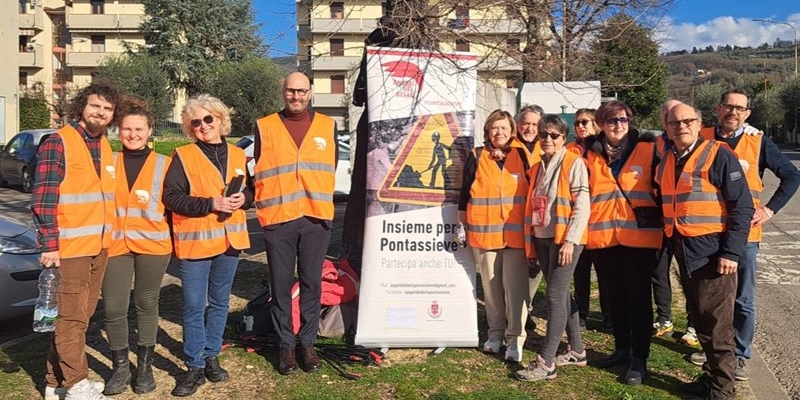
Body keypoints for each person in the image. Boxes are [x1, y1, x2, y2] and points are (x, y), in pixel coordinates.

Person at [689, 89, 800, 380]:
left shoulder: (758, 142)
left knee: (742, 298)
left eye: (740, 108)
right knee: (711, 296)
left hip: (745, 236)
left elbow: (792, 176)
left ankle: (739, 354)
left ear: (747, 113)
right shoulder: (701, 137)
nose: (733, 112)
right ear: (718, 108)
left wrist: (770, 210)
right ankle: (714, 349)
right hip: (707, 232)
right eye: (729, 106)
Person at [656, 103, 754, 400]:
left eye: (688, 121)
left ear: (699, 124)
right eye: (675, 123)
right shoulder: (668, 158)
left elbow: (742, 207)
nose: (681, 127)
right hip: (685, 251)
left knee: (717, 326)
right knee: (700, 320)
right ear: (667, 127)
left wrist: (731, 253)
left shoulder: (718, 154)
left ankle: (722, 391)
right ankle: (711, 379)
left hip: (713, 255)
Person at [32, 82, 122, 400]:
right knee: (70, 316)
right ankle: (76, 384)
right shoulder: (58, 142)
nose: (101, 112)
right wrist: (50, 245)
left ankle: (54, 381)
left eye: (108, 109)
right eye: (95, 105)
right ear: (82, 106)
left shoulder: (105, 146)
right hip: (69, 249)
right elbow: (44, 198)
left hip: (99, 246)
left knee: (80, 316)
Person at [163, 94, 252, 397]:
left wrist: (244, 199)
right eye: (195, 122)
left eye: (208, 119)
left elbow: (252, 191)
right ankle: (194, 365)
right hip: (196, 244)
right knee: (193, 305)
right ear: (189, 127)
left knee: (220, 302)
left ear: (220, 119)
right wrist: (210, 203)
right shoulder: (183, 156)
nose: (203, 126)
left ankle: (212, 355)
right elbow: (172, 198)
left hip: (230, 242)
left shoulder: (238, 155)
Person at [253, 72, 336, 375]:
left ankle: (308, 343)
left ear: (310, 93)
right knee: (280, 284)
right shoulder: (264, 126)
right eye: (291, 90)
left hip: (315, 217)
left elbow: (331, 166)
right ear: (283, 91)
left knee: (312, 283)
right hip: (279, 219)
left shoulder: (328, 125)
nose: (296, 96)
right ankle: (286, 346)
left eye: (301, 91)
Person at [583, 100, 663, 386]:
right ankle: (621, 349)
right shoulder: (588, 153)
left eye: (623, 119)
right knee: (614, 296)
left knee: (638, 299)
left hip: (640, 238)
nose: (618, 125)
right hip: (604, 236)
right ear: (601, 124)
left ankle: (639, 359)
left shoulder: (649, 148)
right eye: (612, 120)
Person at [101, 96, 172, 395]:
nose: (133, 134)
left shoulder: (165, 164)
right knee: (114, 306)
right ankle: (120, 368)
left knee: (146, 303)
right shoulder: (108, 163)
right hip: (115, 245)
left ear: (149, 130)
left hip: (153, 246)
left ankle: (144, 367)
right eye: (127, 129)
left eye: (139, 129)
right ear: (118, 130)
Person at [515, 114, 590, 381]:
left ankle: (546, 362)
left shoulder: (573, 162)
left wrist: (570, 240)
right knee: (562, 295)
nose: (547, 139)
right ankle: (577, 350)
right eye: (543, 134)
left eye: (554, 135)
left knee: (555, 296)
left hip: (564, 239)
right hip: (543, 237)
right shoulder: (537, 167)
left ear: (563, 138)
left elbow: (582, 205)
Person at [458, 109, 530, 363]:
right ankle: (495, 335)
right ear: (487, 131)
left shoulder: (522, 154)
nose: (499, 132)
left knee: (516, 291)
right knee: (491, 290)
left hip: (516, 236)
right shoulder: (477, 155)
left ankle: (516, 339)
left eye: (504, 128)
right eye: (494, 128)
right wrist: (461, 224)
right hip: (486, 234)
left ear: (512, 131)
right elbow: (465, 193)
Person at [565, 108, 611, 330]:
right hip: (577, 218)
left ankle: (609, 314)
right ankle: (580, 313)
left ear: (596, 124)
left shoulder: (605, 149)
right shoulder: (568, 150)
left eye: (585, 122)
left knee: (605, 272)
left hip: (600, 218)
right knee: (580, 270)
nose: (580, 126)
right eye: (577, 123)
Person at [650, 99, 682, 339]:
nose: (674, 121)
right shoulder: (654, 144)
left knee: (690, 276)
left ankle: (693, 325)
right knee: (659, 272)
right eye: (668, 116)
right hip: (661, 221)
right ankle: (664, 318)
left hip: (688, 224)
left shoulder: (697, 142)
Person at [514, 105, 544, 328]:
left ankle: (526, 309)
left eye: (535, 124)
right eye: (526, 123)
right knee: (514, 267)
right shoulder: (507, 147)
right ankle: (510, 311)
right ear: (518, 125)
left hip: (539, 215)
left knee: (535, 266)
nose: (530, 128)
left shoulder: (548, 146)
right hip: (514, 216)